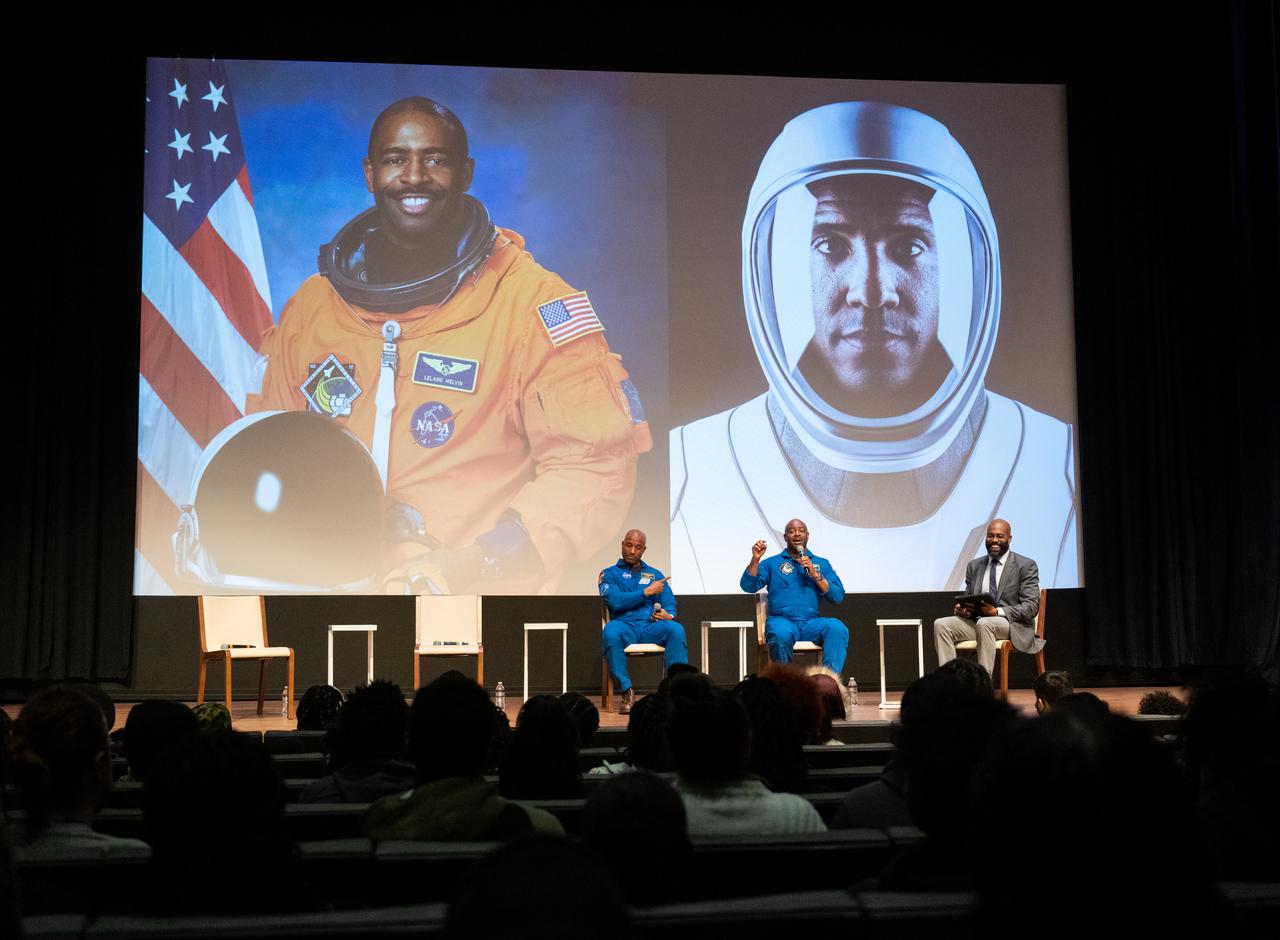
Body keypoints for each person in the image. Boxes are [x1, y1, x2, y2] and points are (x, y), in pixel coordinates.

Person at [182, 95, 650, 594]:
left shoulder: (530, 306)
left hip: (472, 606)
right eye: (395, 159)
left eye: (435, 159)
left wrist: (475, 562)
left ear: (465, 172)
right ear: (369, 173)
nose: (413, 176)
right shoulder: (315, 309)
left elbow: (592, 465)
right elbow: (268, 446)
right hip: (328, 593)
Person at [671, 101, 1078, 594]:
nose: (871, 290)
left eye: (908, 247)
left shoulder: (1055, 462)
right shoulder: (696, 464)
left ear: (966, 264)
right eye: (830, 246)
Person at [933, 518, 1041, 677]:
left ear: (1009, 539)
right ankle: (950, 683)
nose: (994, 540)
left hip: (1012, 625)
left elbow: (1031, 607)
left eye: (999, 536)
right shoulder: (974, 566)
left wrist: (997, 612)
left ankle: (983, 686)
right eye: (990, 536)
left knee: (985, 623)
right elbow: (970, 598)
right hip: (979, 623)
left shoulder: (1025, 565)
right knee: (941, 624)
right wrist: (965, 611)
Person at [599, 528, 688, 714]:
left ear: (643, 550)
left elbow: (670, 603)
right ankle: (627, 690)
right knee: (610, 632)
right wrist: (646, 592)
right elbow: (615, 601)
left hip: (650, 627)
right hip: (624, 626)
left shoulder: (654, 575)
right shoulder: (609, 574)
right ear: (622, 545)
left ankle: (674, 691)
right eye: (629, 545)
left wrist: (668, 614)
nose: (632, 551)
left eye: (637, 547)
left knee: (676, 629)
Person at [740, 518, 848, 672]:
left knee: (837, 628)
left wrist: (814, 572)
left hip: (811, 624)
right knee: (781, 633)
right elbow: (748, 586)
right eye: (791, 531)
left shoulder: (821, 563)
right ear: (785, 537)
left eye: (801, 530)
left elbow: (837, 596)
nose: (797, 534)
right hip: (782, 621)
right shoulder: (772, 563)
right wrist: (755, 560)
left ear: (808, 535)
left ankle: (828, 683)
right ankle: (785, 686)